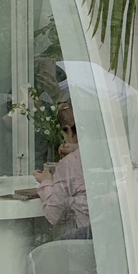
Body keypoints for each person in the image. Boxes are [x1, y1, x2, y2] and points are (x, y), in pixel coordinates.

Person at [33, 99, 91, 240]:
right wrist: (78, 148)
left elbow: (55, 215)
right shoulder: (115, 153)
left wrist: (46, 182)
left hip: (88, 240)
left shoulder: (69, 164)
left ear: (69, 130)